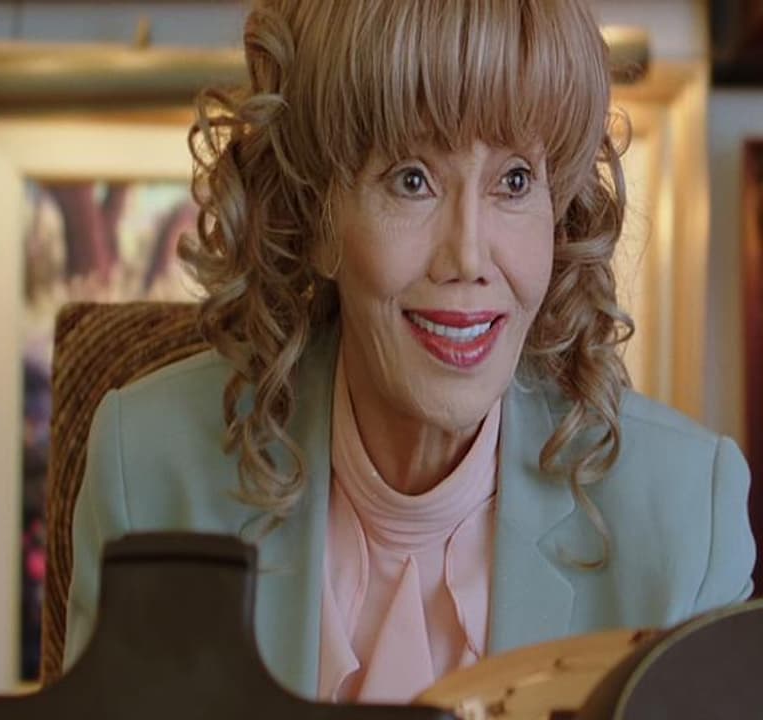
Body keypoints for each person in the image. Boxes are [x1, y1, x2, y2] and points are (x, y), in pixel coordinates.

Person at [63, 0, 756, 705]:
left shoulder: (686, 518)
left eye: (515, 180)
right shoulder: (147, 468)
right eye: (412, 179)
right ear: (317, 220)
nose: (468, 257)